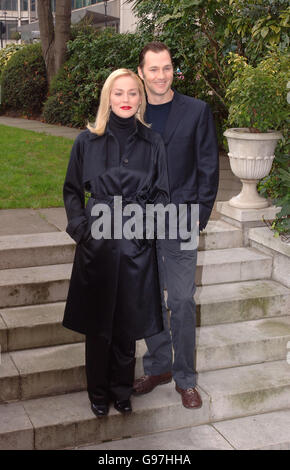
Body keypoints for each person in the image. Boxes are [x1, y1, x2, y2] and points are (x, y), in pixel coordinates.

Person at [62, 68, 169, 417]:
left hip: (136, 246)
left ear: (140, 99)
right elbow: (72, 191)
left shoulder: (153, 142)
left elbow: (161, 194)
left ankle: (123, 390)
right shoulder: (86, 141)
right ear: (109, 97)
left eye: (132, 93)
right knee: (97, 326)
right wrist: (82, 230)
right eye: (118, 93)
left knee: (127, 324)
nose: (125, 100)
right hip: (98, 247)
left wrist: (146, 231)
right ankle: (97, 392)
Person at [133, 42, 219, 409]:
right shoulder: (129, 110)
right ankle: (158, 366)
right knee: (148, 298)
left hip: (181, 218)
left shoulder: (197, 111)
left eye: (166, 68)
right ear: (141, 72)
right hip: (138, 221)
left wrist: (199, 214)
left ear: (173, 70)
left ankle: (185, 378)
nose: (161, 75)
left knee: (181, 300)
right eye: (153, 69)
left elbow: (208, 166)